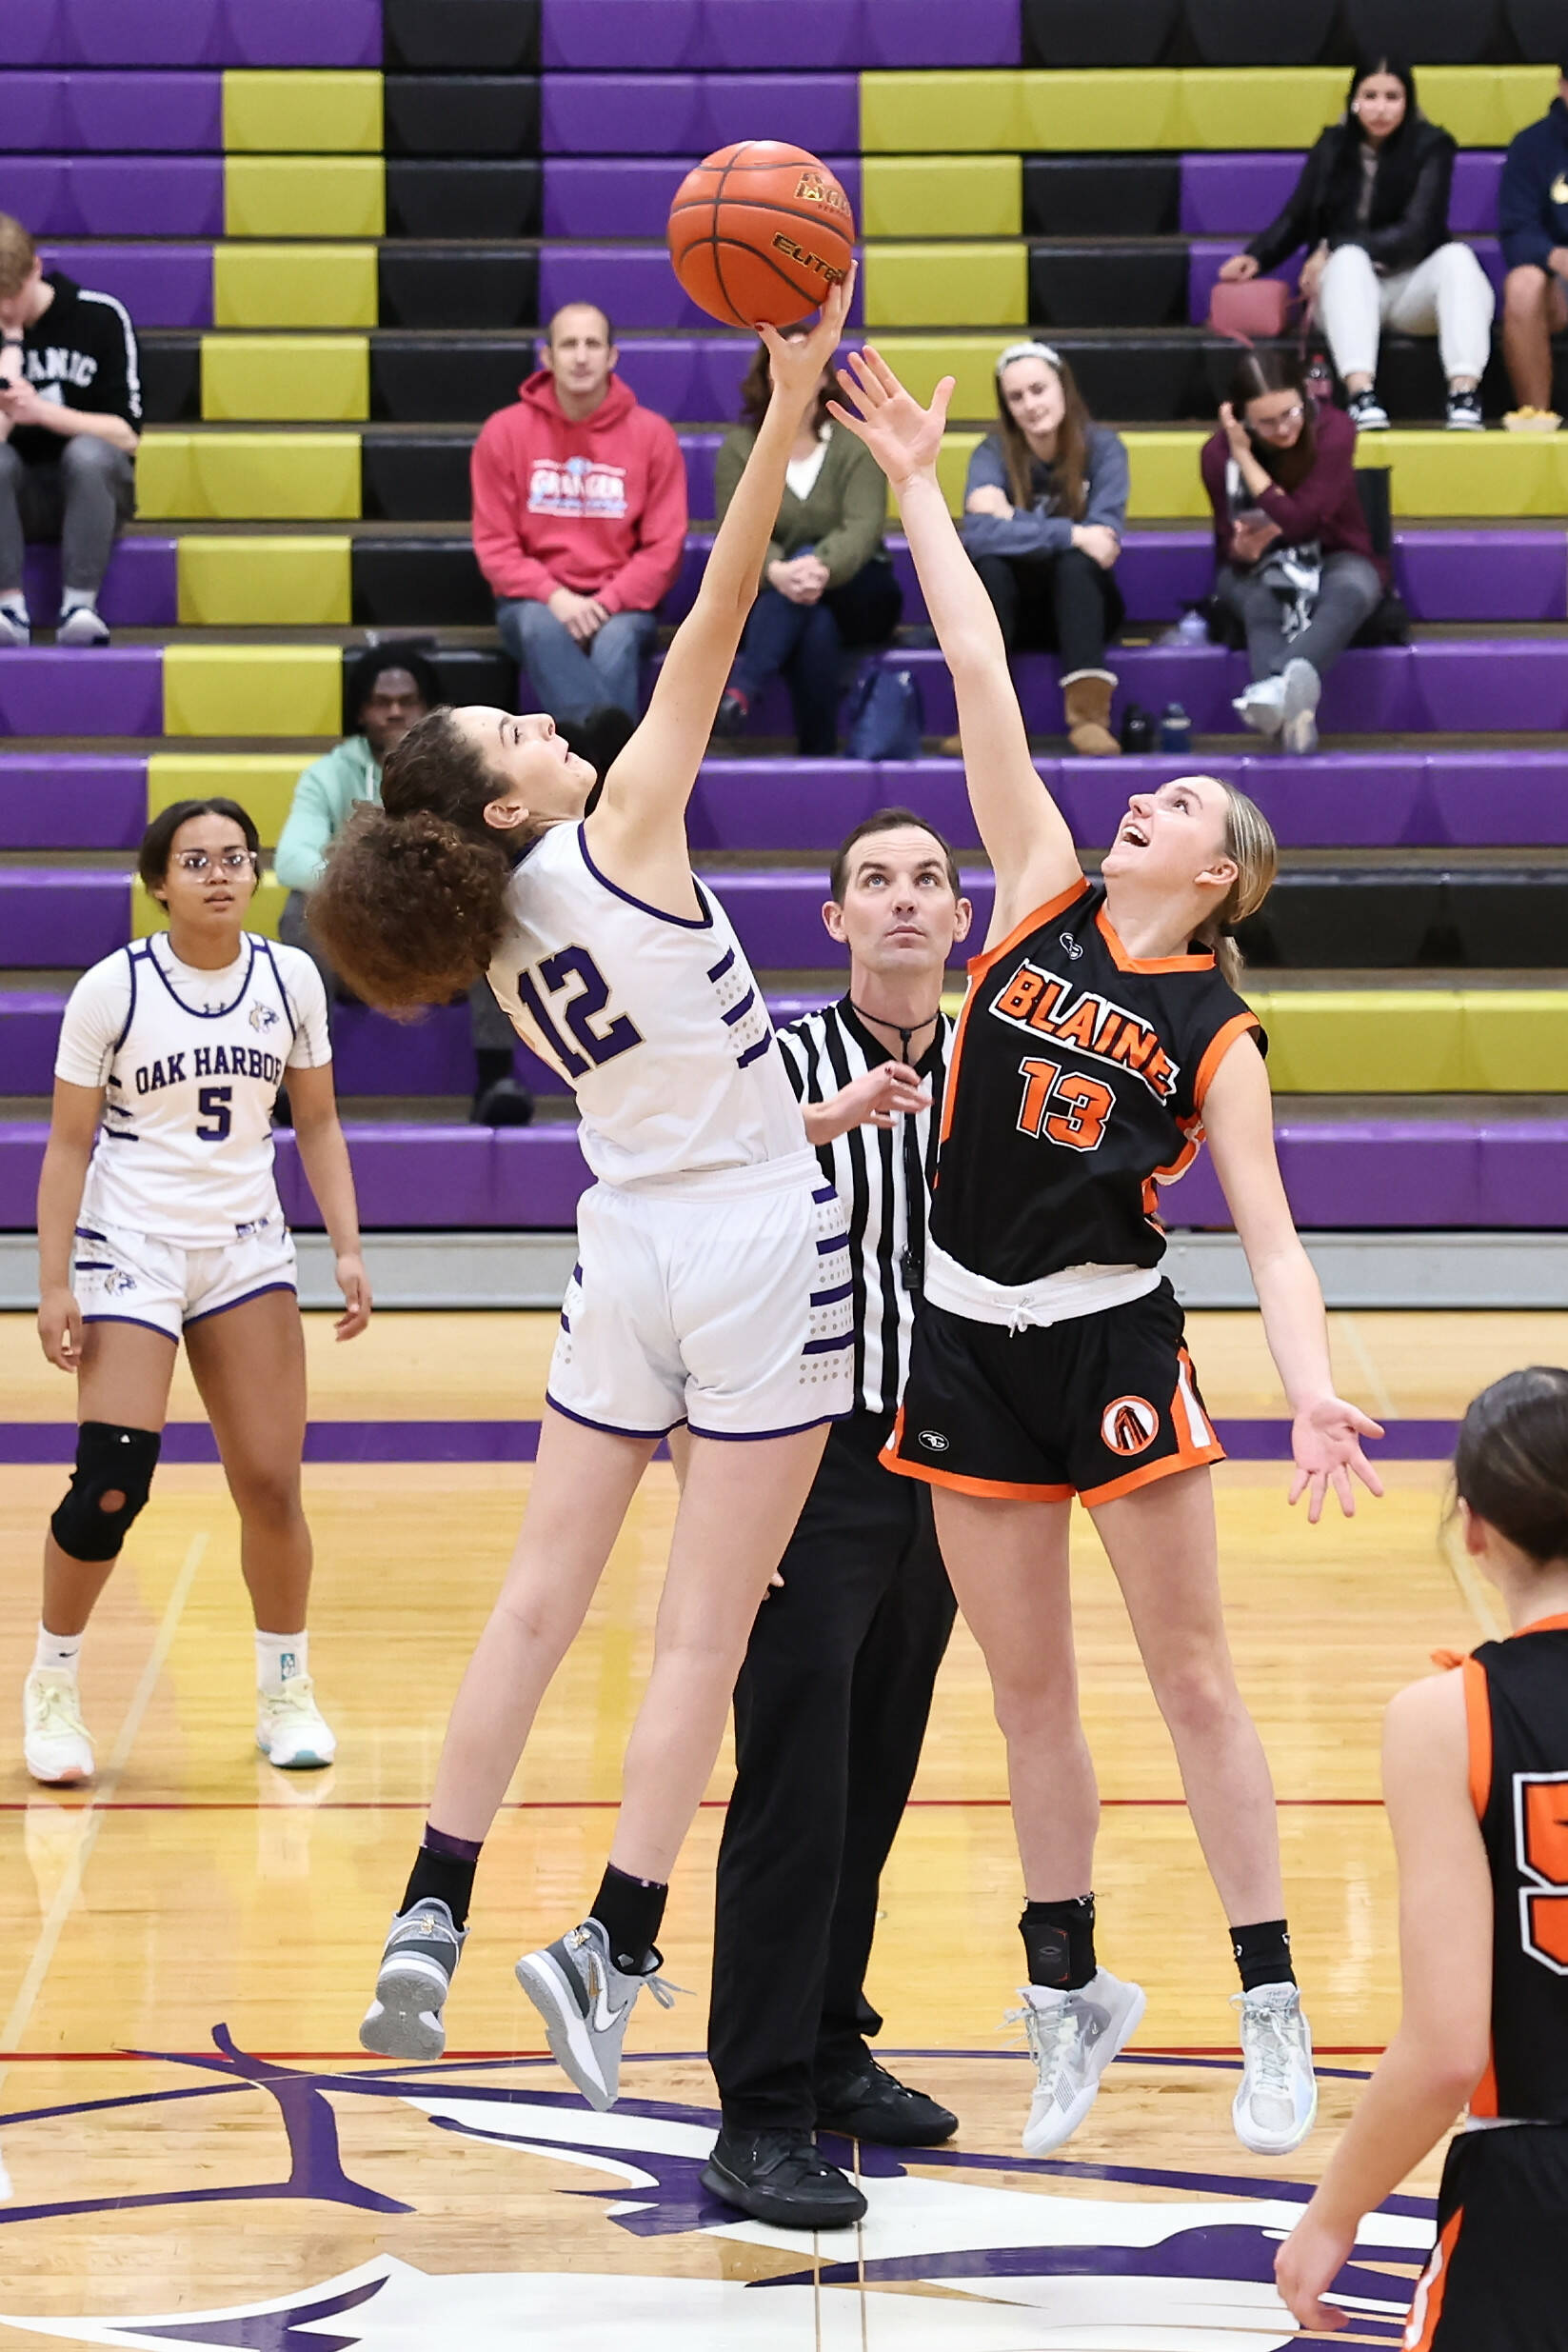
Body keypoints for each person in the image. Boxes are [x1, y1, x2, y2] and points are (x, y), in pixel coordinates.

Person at [304, 276, 860, 2105]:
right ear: (515, 808)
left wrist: (818, 1099)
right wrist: (782, 405)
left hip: (623, 1235)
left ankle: (429, 1909)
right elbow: (707, 618)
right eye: (520, 735)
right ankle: (611, 1944)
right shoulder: (623, 827)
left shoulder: (491, 942)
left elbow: (699, 1072)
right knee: (704, 1625)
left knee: (538, 1600)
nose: (548, 723)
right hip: (750, 1248)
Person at [828, 344, 1384, 2162]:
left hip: (1115, 1344)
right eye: (1155, 798)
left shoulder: (1218, 1030)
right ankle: (1068, 1988)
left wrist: (1308, 1398)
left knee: (1194, 1680)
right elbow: (985, 672)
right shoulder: (1039, 893)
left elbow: (1275, 1245)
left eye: (1187, 815)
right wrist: (915, 476)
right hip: (964, 1336)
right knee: (1027, 1687)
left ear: (1220, 879)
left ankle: (1272, 2002)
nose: (1152, 801)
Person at [702, 808, 966, 2231]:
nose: (902, 900)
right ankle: (754, 2112)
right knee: (791, 1788)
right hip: (801, 1458)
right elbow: (691, 1248)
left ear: (957, 916)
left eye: (927, 879)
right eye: (874, 880)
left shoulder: (991, 1072)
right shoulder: (775, 1070)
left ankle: (827, 2044)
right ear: (832, 921)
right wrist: (719, 1479)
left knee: (872, 1773)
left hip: (942, 1470)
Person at [28, 798, 371, 1787]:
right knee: (111, 1481)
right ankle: (52, 1684)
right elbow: (66, 1144)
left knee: (270, 1481)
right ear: (159, 883)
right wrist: (52, 1282)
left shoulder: (290, 976)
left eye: (236, 856)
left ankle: (286, 1686)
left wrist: (346, 1248)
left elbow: (316, 1124)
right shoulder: (113, 989)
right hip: (130, 1245)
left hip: (245, 1251)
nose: (220, 872)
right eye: (196, 859)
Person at [1278, 1367, 1568, 2343]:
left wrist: (1332, 2214)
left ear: (1474, 1525)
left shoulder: (1447, 1718)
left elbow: (1448, 2050)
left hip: (1537, 2191)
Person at [276, 644, 532, 1128]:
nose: (394, 710)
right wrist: (370, 895)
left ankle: (498, 1079)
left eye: (406, 700)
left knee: (497, 899)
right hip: (357, 931)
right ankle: (300, 1084)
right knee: (298, 912)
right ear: (360, 710)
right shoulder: (328, 773)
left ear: (427, 707)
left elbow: (493, 848)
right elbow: (291, 858)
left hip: (443, 924)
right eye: (380, 700)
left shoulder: (465, 772)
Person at [1217, 57, 1493, 433]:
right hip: (1349, 293)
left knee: (1459, 258)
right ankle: (1362, 395)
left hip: (1412, 289)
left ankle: (1463, 393)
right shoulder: (1331, 145)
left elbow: (1417, 231)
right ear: (1353, 100)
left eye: (1392, 97)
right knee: (1348, 260)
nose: (1380, 107)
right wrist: (1256, 257)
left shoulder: (1433, 146)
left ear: (1408, 102)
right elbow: (1297, 216)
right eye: (1370, 95)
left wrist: (1329, 248)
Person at [472, 301, 686, 729]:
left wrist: (605, 604)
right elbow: (495, 546)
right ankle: (613, 765)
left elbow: (664, 550)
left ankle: (585, 763)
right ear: (548, 357)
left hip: (622, 606)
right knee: (538, 627)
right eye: (569, 344)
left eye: (593, 344)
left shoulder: (653, 435)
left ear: (612, 356)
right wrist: (557, 598)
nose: (582, 356)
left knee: (618, 640)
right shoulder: (503, 431)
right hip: (534, 603)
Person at [710, 336, 902, 754]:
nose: (796, 369)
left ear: (825, 377)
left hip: (860, 592)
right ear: (766, 375)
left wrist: (815, 566)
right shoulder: (740, 450)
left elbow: (863, 527)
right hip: (775, 593)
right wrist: (777, 570)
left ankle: (744, 687)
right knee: (816, 628)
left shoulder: (854, 443)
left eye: (808, 361)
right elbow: (736, 534)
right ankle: (819, 755)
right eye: (783, 360)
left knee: (813, 601)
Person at [943, 342, 1127, 760]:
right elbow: (980, 538)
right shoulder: (991, 453)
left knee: (1076, 565)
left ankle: (1089, 720)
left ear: (1063, 387)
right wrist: (1073, 533)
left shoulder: (1104, 448)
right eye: (1016, 397)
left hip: (1085, 608)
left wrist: (1010, 515)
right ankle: (979, 721)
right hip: (1015, 609)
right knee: (991, 566)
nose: (1030, 404)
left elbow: (1104, 545)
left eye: (1038, 389)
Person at [1202, 350, 1388, 756]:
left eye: (1292, 412)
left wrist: (1246, 458)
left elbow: (1303, 521)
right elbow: (1224, 543)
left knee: (1352, 590)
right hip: (1258, 565)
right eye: (1267, 422)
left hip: (1335, 552)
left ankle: (1274, 692)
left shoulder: (1335, 429)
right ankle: (1291, 711)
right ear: (1239, 418)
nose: (1284, 428)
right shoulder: (1216, 455)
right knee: (1260, 599)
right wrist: (1242, 549)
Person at [0, 211, 140, 648]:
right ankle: (9, 605)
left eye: (10, 294)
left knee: (88, 452)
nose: (3, 307)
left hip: (94, 491)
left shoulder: (99, 317)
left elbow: (127, 435)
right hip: (20, 494)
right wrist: (11, 351)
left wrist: (40, 412)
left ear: (35, 270)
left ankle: (79, 605)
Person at [1498, 62, 1568, 433]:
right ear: (1563, 87)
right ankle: (1536, 420)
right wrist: (1555, 256)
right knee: (1523, 284)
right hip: (1560, 285)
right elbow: (1516, 231)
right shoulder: (1532, 145)